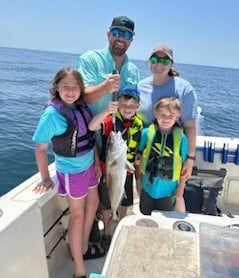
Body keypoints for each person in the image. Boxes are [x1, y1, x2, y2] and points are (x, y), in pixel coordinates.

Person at [32, 67, 105, 278]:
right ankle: (79, 270)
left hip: (89, 166)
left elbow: (89, 138)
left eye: (75, 87)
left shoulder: (80, 106)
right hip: (72, 172)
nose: (71, 91)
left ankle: (81, 249)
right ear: (56, 88)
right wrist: (46, 178)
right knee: (77, 215)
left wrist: (97, 161)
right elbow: (41, 148)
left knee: (93, 203)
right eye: (66, 87)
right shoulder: (52, 114)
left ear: (81, 90)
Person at [77, 15, 140, 245]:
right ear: (108, 34)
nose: (120, 38)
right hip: (89, 135)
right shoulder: (89, 59)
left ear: (132, 40)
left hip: (116, 139)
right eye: (117, 32)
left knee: (111, 187)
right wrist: (105, 86)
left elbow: (131, 105)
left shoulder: (133, 70)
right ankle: (93, 227)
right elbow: (81, 96)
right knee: (90, 190)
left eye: (126, 34)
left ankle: (109, 227)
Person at [88, 87, 143, 250]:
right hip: (110, 173)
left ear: (137, 107)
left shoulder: (139, 124)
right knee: (106, 205)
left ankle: (121, 226)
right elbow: (92, 127)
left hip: (126, 172)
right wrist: (106, 111)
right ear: (118, 105)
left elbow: (138, 146)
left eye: (132, 106)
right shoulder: (109, 121)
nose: (127, 109)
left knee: (124, 203)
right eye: (124, 105)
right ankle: (107, 231)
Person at [137, 43, 197, 181]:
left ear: (171, 64)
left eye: (164, 60)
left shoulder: (184, 89)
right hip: (144, 151)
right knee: (143, 189)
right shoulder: (141, 86)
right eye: (154, 59)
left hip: (170, 154)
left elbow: (190, 126)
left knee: (169, 197)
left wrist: (190, 158)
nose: (159, 64)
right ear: (149, 62)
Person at [136, 97, 188, 215]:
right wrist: (138, 180)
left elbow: (184, 167)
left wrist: (181, 188)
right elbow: (138, 157)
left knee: (163, 218)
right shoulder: (146, 133)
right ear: (155, 114)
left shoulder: (182, 139)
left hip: (168, 190)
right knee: (145, 215)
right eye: (162, 115)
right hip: (147, 186)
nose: (166, 119)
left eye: (170, 116)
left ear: (178, 116)